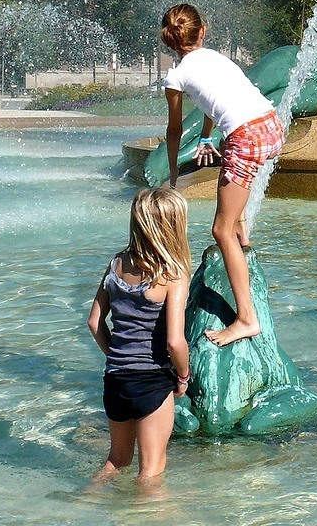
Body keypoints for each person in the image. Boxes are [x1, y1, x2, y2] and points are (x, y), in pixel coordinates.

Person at [161, 3, 282, 346]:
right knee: (231, 186)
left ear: (170, 44)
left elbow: (173, 131)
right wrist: (205, 136)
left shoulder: (176, 77)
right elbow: (214, 101)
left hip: (246, 136)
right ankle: (242, 236)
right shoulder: (214, 57)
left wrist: (172, 176)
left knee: (219, 229)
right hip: (270, 125)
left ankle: (246, 319)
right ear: (202, 32)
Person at [87, 187, 192, 485]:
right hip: (151, 381)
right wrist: (183, 377)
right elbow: (175, 341)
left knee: (115, 462)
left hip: (115, 378)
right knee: (151, 472)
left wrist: (119, 360)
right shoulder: (172, 273)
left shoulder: (116, 263)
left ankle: (82, 503)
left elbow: (94, 323)